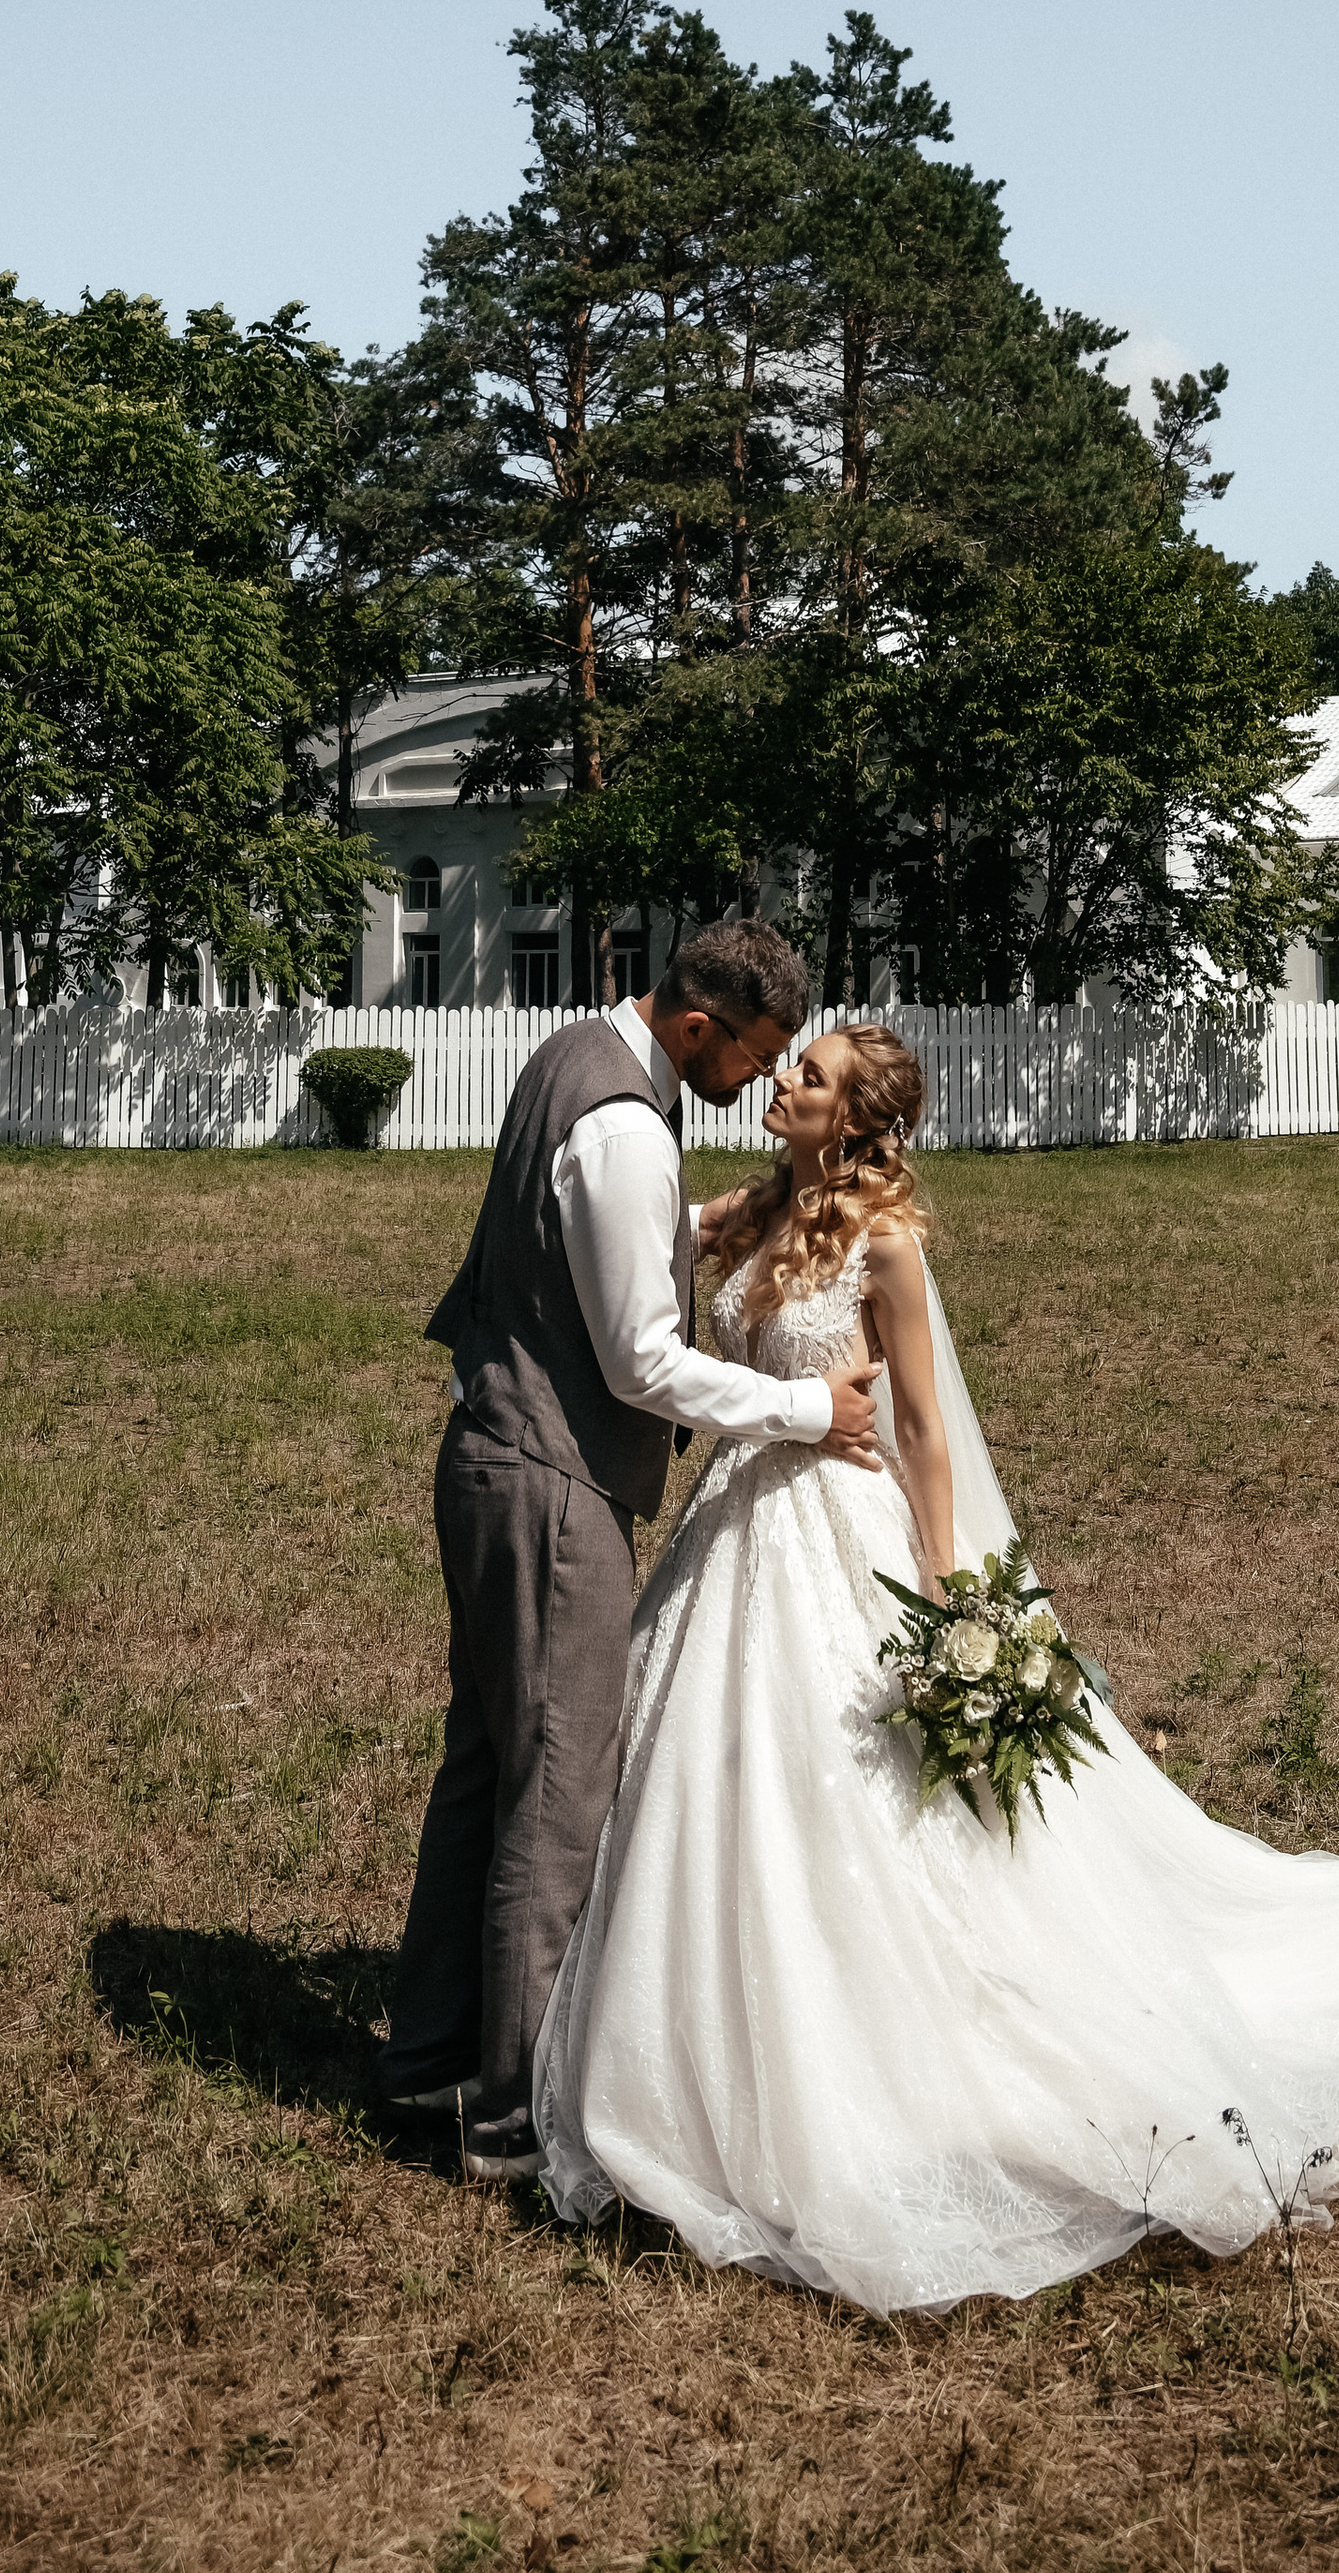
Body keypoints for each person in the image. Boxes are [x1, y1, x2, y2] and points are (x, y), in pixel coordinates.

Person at [532, 1020, 1339, 2315]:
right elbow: (620, 1246)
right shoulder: (743, 1217)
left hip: (845, 1533)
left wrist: (942, 1596)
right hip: (735, 1525)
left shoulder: (887, 1244)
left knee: (858, 1798)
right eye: (787, 1065)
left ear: (855, 1124)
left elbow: (924, 1429)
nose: (781, 1083)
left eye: (807, 1076)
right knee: (713, 1782)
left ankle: (879, 2049)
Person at [375, 919, 889, 2185]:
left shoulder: (576, 1058)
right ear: (699, 1025)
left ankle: (428, 2060)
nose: (758, 1083)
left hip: (494, 1449)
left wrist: (697, 1217)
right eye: (754, 1055)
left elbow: (591, 1244)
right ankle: (512, 2119)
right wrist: (808, 1411)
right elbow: (640, 1362)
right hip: (549, 1482)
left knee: (485, 1767)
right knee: (558, 1791)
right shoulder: (620, 1125)